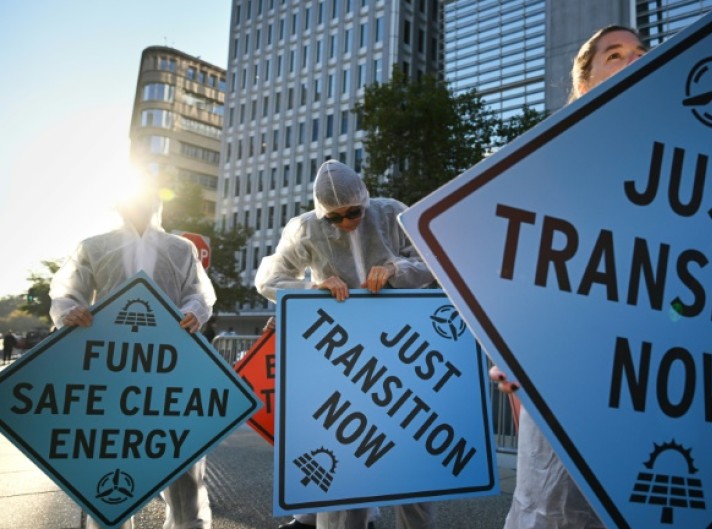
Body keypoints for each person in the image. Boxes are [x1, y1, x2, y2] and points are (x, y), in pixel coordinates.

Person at [488, 24, 648, 529]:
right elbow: (505, 266)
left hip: (653, 372)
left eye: (641, 53)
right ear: (583, 83)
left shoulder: (686, 165)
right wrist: (504, 344)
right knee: (554, 507)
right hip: (563, 369)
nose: (633, 60)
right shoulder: (547, 162)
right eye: (616, 55)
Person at [256, 160, 437, 529]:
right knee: (349, 453)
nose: (346, 222)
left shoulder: (391, 214)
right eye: (334, 219)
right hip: (343, 354)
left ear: (365, 200)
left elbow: (433, 260)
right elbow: (269, 278)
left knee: (414, 453)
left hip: (401, 346)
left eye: (353, 212)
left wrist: (395, 269)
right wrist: (312, 289)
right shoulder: (305, 228)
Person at [49, 182, 217, 529]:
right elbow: (67, 294)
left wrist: (193, 311)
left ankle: (189, 524)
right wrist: (71, 311)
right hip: (111, 370)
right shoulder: (95, 247)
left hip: (169, 367)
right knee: (111, 457)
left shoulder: (180, 249)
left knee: (180, 457)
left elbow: (198, 292)